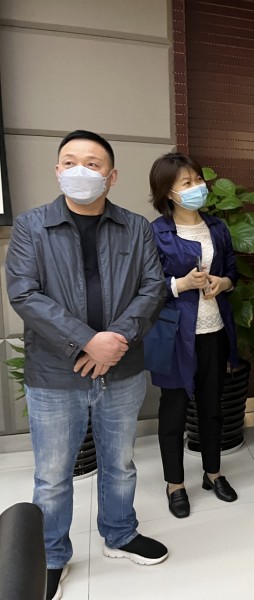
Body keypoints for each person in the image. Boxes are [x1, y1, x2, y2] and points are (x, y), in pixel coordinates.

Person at [5, 130, 169, 600]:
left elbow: (153, 287)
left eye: (93, 164)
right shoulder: (32, 226)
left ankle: (119, 533)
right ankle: (51, 555)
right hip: (55, 372)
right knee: (53, 476)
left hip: (122, 366)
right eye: (71, 161)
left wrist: (114, 341)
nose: (82, 170)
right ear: (58, 170)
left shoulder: (135, 227)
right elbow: (24, 293)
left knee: (120, 463)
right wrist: (86, 341)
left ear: (111, 176)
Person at [148, 152, 239, 519]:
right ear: (168, 192)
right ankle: (175, 484)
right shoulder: (156, 232)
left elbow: (232, 271)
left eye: (198, 180)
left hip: (213, 330)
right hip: (173, 336)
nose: (197, 187)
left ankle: (213, 473)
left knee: (212, 407)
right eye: (186, 183)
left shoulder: (217, 227)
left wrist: (223, 282)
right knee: (172, 413)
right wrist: (179, 284)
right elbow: (145, 286)